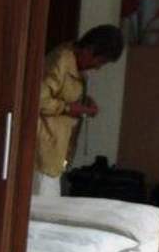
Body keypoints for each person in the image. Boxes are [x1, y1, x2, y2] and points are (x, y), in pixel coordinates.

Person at [35, 24, 125, 197]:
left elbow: (63, 94)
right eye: (100, 61)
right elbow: (38, 99)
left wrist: (84, 103)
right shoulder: (61, 60)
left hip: (57, 154)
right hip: (42, 153)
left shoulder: (79, 68)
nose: (97, 67)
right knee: (42, 205)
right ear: (89, 50)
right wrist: (68, 108)